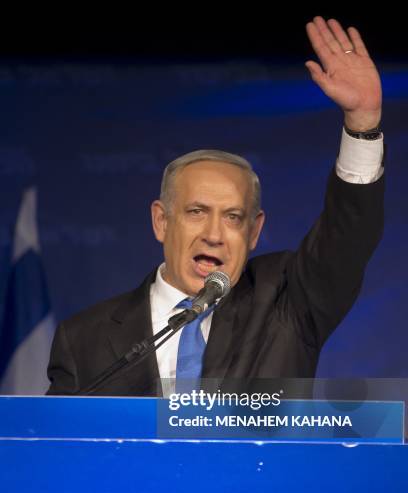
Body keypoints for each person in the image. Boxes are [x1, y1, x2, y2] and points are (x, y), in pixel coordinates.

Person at [46, 16, 384, 396]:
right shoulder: (84, 339)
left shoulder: (287, 303)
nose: (213, 234)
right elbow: (58, 446)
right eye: (196, 212)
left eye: (233, 218)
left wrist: (362, 124)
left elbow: (347, 238)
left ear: (254, 231)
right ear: (161, 221)